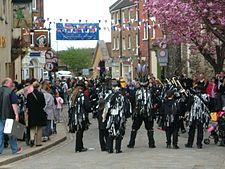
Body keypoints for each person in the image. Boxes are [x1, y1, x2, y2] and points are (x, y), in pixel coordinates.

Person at [127, 78, 156, 149]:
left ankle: (131, 143)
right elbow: (155, 101)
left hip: (138, 113)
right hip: (147, 112)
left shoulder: (136, 93)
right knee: (149, 128)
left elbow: (132, 101)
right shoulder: (150, 92)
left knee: (134, 128)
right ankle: (151, 144)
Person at [0, 77, 22, 154]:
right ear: (7, 83)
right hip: (8, 115)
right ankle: (14, 149)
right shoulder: (10, 92)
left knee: (0, 133)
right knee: (12, 133)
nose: (12, 84)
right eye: (11, 82)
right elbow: (14, 104)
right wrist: (16, 115)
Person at [70, 81, 91, 152]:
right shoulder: (83, 96)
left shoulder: (73, 95)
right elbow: (87, 106)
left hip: (74, 116)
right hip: (81, 116)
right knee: (80, 132)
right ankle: (79, 147)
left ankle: (79, 146)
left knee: (78, 131)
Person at [26, 81, 47, 147]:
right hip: (39, 112)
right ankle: (38, 142)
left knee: (32, 127)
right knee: (39, 127)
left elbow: (27, 105)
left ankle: (32, 139)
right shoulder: (41, 94)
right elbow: (44, 104)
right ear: (38, 86)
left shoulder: (29, 95)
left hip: (32, 113)